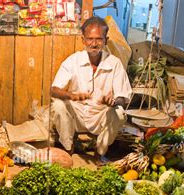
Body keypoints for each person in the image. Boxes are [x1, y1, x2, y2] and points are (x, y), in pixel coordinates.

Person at [51, 16, 132, 164]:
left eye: (99, 39)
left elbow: (124, 97)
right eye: (89, 39)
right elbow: (54, 90)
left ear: (105, 40)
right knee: (58, 104)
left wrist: (114, 102)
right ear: (83, 40)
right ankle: (68, 148)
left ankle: (100, 152)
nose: (94, 44)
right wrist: (71, 95)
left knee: (119, 113)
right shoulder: (73, 61)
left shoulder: (115, 63)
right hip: (77, 114)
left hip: (101, 116)